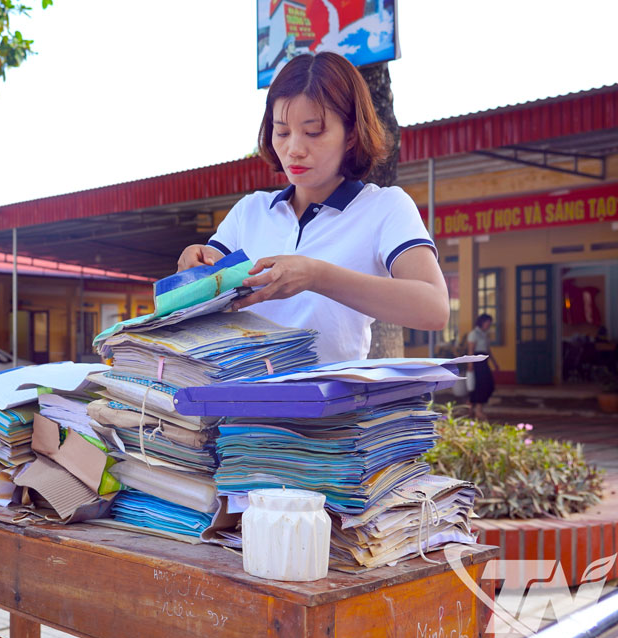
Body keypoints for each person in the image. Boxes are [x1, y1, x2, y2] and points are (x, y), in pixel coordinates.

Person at [177, 52, 448, 364]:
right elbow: (202, 288)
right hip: (238, 393)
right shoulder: (249, 211)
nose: (294, 149)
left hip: (329, 395)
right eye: (282, 132)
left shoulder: (384, 208)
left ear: (351, 134)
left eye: (313, 132)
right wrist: (193, 265)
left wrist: (316, 276)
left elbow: (435, 308)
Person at [465, 314, 498, 420]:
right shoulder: (474, 334)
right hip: (476, 362)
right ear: (482, 322)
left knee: (489, 385)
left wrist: (494, 362)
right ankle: (477, 410)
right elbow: (471, 350)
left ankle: (471, 408)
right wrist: (470, 364)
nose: (489, 325)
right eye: (487, 322)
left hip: (484, 361)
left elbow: (488, 351)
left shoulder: (485, 335)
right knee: (478, 385)